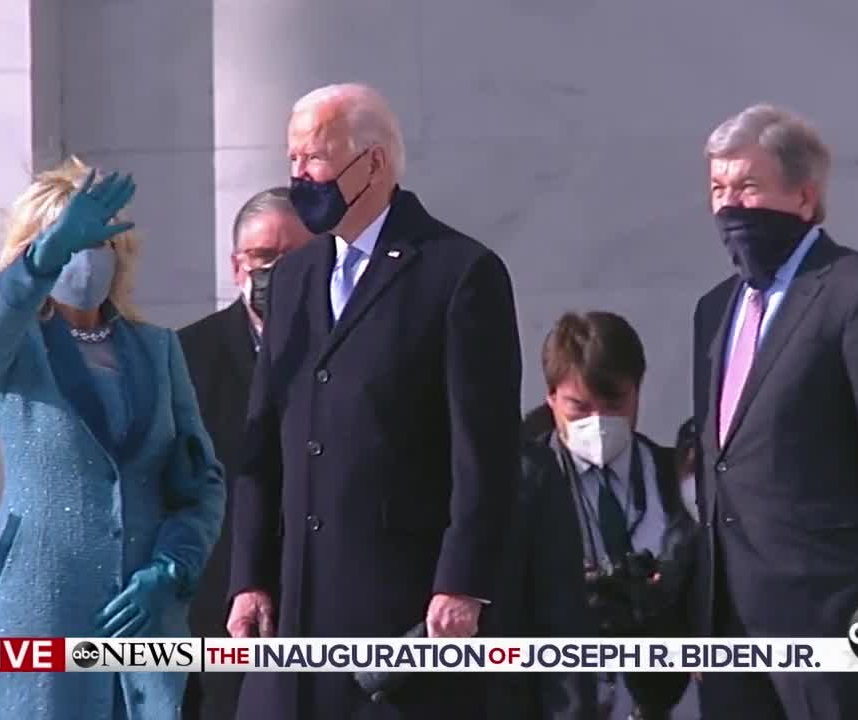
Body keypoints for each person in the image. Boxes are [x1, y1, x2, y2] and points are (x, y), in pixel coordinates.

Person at [226, 82, 523, 720]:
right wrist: (249, 575)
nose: (300, 174)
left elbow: (486, 450)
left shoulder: (458, 273)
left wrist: (462, 581)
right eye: (293, 159)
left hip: (399, 606)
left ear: (374, 163)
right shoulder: (295, 277)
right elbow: (264, 435)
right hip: (296, 610)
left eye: (315, 157)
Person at [690, 104, 858, 720]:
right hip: (727, 611)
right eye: (719, 189)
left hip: (830, 606)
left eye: (749, 186)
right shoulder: (714, 308)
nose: (731, 207)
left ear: (804, 198)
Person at [0, 159, 225, 720]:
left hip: (139, 623)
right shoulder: (17, 346)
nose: (88, 254)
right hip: (40, 609)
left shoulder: (156, 350)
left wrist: (171, 568)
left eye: (101, 240)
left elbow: (201, 480)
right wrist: (47, 255)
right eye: (72, 240)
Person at [496, 312, 694, 720]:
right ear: (551, 398)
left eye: (614, 405)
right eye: (579, 407)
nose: (598, 423)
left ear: (638, 392)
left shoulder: (677, 478)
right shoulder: (520, 488)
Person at [178, 187, 313, 720]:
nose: (278, 271)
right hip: (215, 613)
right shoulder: (186, 356)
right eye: (264, 258)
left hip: (318, 605)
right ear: (238, 267)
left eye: (296, 258)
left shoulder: (349, 352)